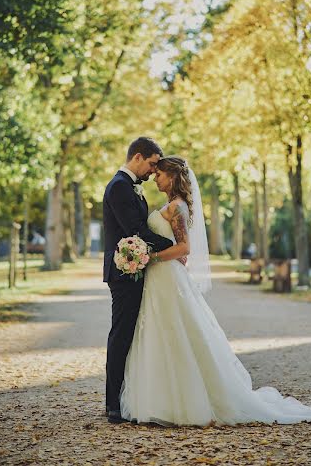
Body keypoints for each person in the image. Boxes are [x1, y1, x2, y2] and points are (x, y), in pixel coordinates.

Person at [120, 156, 311, 426]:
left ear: (172, 176)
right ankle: (159, 399)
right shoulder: (169, 205)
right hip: (159, 278)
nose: (155, 178)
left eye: (159, 174)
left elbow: (184, 248)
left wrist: (151, 257)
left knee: (175, 331)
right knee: (160, 332)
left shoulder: (178, 207)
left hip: (167, 275)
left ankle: (184, 402)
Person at [103, 137, 173, 424]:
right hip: (123, 272)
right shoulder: (119, 186)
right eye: (153, 163)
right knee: (121, 335)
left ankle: (127, 398)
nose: (153, 170)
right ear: (138, 157)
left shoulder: (130, 186)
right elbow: (135, 229)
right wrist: (171, 244)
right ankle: (113, 405)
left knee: (132, 335)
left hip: (134, 268)